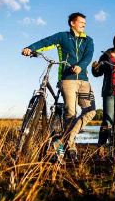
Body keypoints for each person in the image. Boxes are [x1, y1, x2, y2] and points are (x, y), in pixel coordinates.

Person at [21, 12, 96, 161]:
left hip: (84, 80)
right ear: (72, 23)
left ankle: (65, 138)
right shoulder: (63, 37)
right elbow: (46, 42)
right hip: (67, 80)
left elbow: (88, 56)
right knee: (71, 112)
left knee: (91, 111)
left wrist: (80, 66)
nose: (83, 25)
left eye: (84, 23)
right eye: (81, 22)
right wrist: (30, 48)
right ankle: (71, 148)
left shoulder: (88, 40)